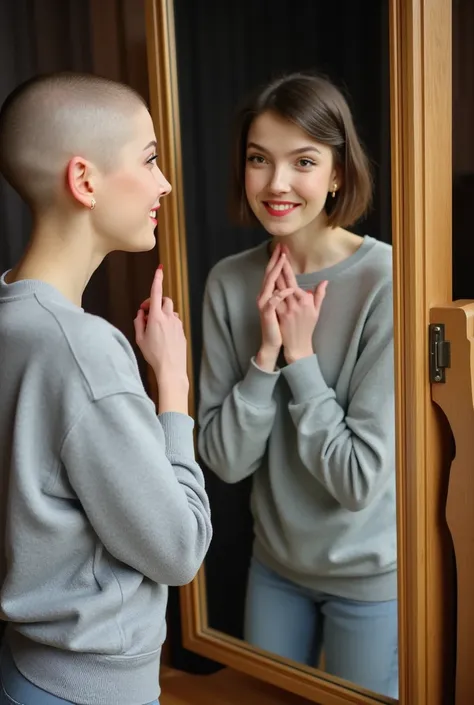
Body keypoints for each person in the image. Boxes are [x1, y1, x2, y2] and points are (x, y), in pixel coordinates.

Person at [0, 72, 212, 705]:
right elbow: (178, 550)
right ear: (85, 180)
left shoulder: (11, 317)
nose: (164, 183)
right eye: (149, 160)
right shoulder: (81, 348)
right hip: (88, 690)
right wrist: (172, 388)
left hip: (26, 674)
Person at [197, 72, 396, 699]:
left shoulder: (387, 282)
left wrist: (302, 358)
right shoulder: (230, 283)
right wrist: (266, 354)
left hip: (368, 575)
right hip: (275, 568)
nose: (276, 184)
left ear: (337, 173)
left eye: (303, 161)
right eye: (260, 160)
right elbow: (225, 461)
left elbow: (358, 480)